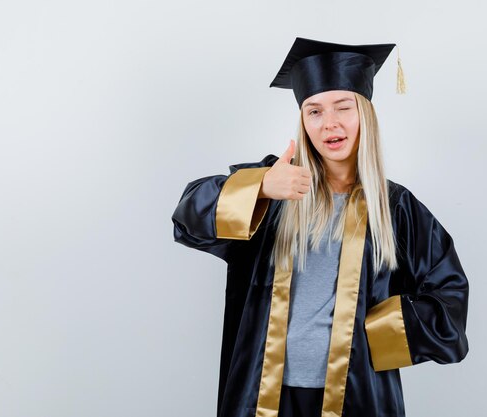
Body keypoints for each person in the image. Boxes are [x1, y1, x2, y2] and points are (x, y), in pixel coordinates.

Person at [171, 37, 469, 417]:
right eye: (314, 111)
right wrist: (261, 186)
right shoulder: (277, 188)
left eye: (343, 107)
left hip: (356, 394)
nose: (329, 123)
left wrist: (371, 334)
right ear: (303, 121)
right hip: (265, 392)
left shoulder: (395, 208)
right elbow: (186, 216)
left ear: (365, 114)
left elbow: (450, 298)